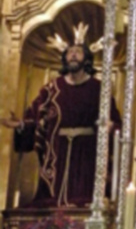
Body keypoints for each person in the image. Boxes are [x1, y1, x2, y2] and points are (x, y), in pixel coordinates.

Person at [0, 23, 121, 208]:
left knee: (84, 198)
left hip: (87, 150)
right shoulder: (52, 88)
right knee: (52, 199)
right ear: (64, 58)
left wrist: (111, 127)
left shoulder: (99, 89)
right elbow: (37, 119)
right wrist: (22, 125)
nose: (73, 55)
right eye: (70, 52)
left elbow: (115, 122)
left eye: (78, 52)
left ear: (86, 58)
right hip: (58, 150)